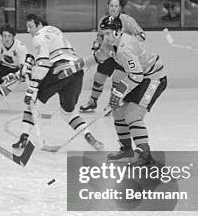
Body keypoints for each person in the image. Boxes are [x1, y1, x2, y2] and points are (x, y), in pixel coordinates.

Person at [54, 16, 167, 165]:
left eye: (108, 33)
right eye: (104, 34)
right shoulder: (110, 43)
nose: (105, 38)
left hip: (153, 79)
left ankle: (145, 156)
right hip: (139, 77)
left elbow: (137, 76)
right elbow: (97, 57)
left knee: (133, 114)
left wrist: (118, 92)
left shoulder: (124, 49)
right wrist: (73, 67)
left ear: (119, 31)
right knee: (118, 112)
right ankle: (126, 150)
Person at [12, 14, 104, 151]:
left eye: (30, 26)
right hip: (76, 71)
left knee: (32, 105)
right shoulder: (54, 29)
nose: (28, 30)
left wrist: (32, 89)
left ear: (39, 25)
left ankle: (23, 139)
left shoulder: (38, 36)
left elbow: (43, 63)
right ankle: (88, 135)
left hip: (59, 70)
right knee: (68, 113)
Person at [80, 0, 145, 113]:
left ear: (120, 8)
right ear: (108, 7)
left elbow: (141, 35)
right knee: (99, 76)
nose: (113, 8)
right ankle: (93, 101)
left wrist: (127, 42)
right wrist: (95, 46)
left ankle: (112, 103)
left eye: (116, 6)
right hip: (109, 53)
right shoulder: (103, 20)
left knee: (117, 78)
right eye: (111, 6)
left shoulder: (127, 20)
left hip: (123, 55)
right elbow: (100, 36)